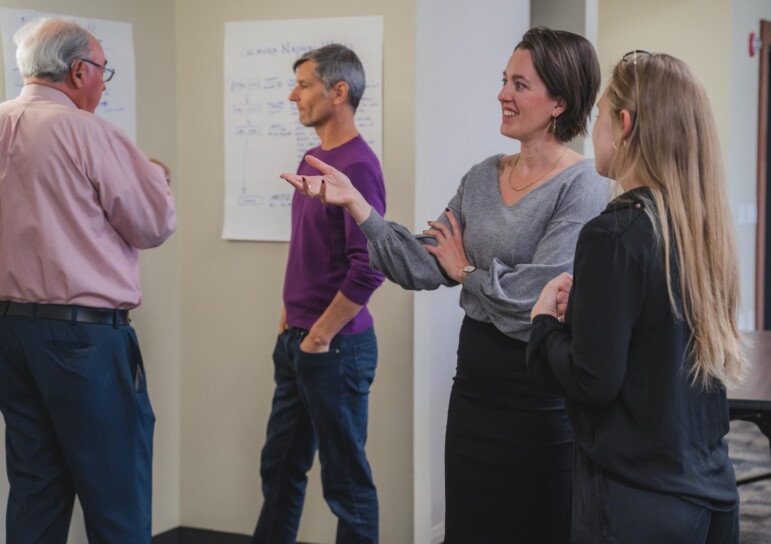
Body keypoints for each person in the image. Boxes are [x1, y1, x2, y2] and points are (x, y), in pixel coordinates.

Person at [281, 27, 609, 543]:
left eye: (519, 84)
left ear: (560, 101)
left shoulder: (584, 186)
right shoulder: (482, 176)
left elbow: (534, 301)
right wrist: (358, 208)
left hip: (539, 397)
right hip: (475, 391)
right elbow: (420, 264)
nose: (502, 94)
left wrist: (466, 273)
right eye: (504, 80)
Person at [528, 51, 744, 543]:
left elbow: (593, 379)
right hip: (711, 493)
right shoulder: (705, 232)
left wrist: (545, 325)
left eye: (601, 116)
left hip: (636, 502)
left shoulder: (613, 234)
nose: (595, 130)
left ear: (624, 124)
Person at [0, 17, 176, 543]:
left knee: (35, 489)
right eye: (103, 70)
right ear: (78, 71)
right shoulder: (88, 131)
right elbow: (153, 224)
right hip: (84, 338)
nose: (103, 82)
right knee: (116, 495)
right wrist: (156, 180)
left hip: (10, 336)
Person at [252, 44, 386, 544]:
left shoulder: (358, 166)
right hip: (299, 343)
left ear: (339, 91)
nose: (294, 96)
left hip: (335, 348)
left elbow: (370, 267)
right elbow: (309, 248)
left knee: (346, 485)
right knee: (279, 470)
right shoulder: (314, 159)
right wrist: (292, 319)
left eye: (304, 85)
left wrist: (320, 337)